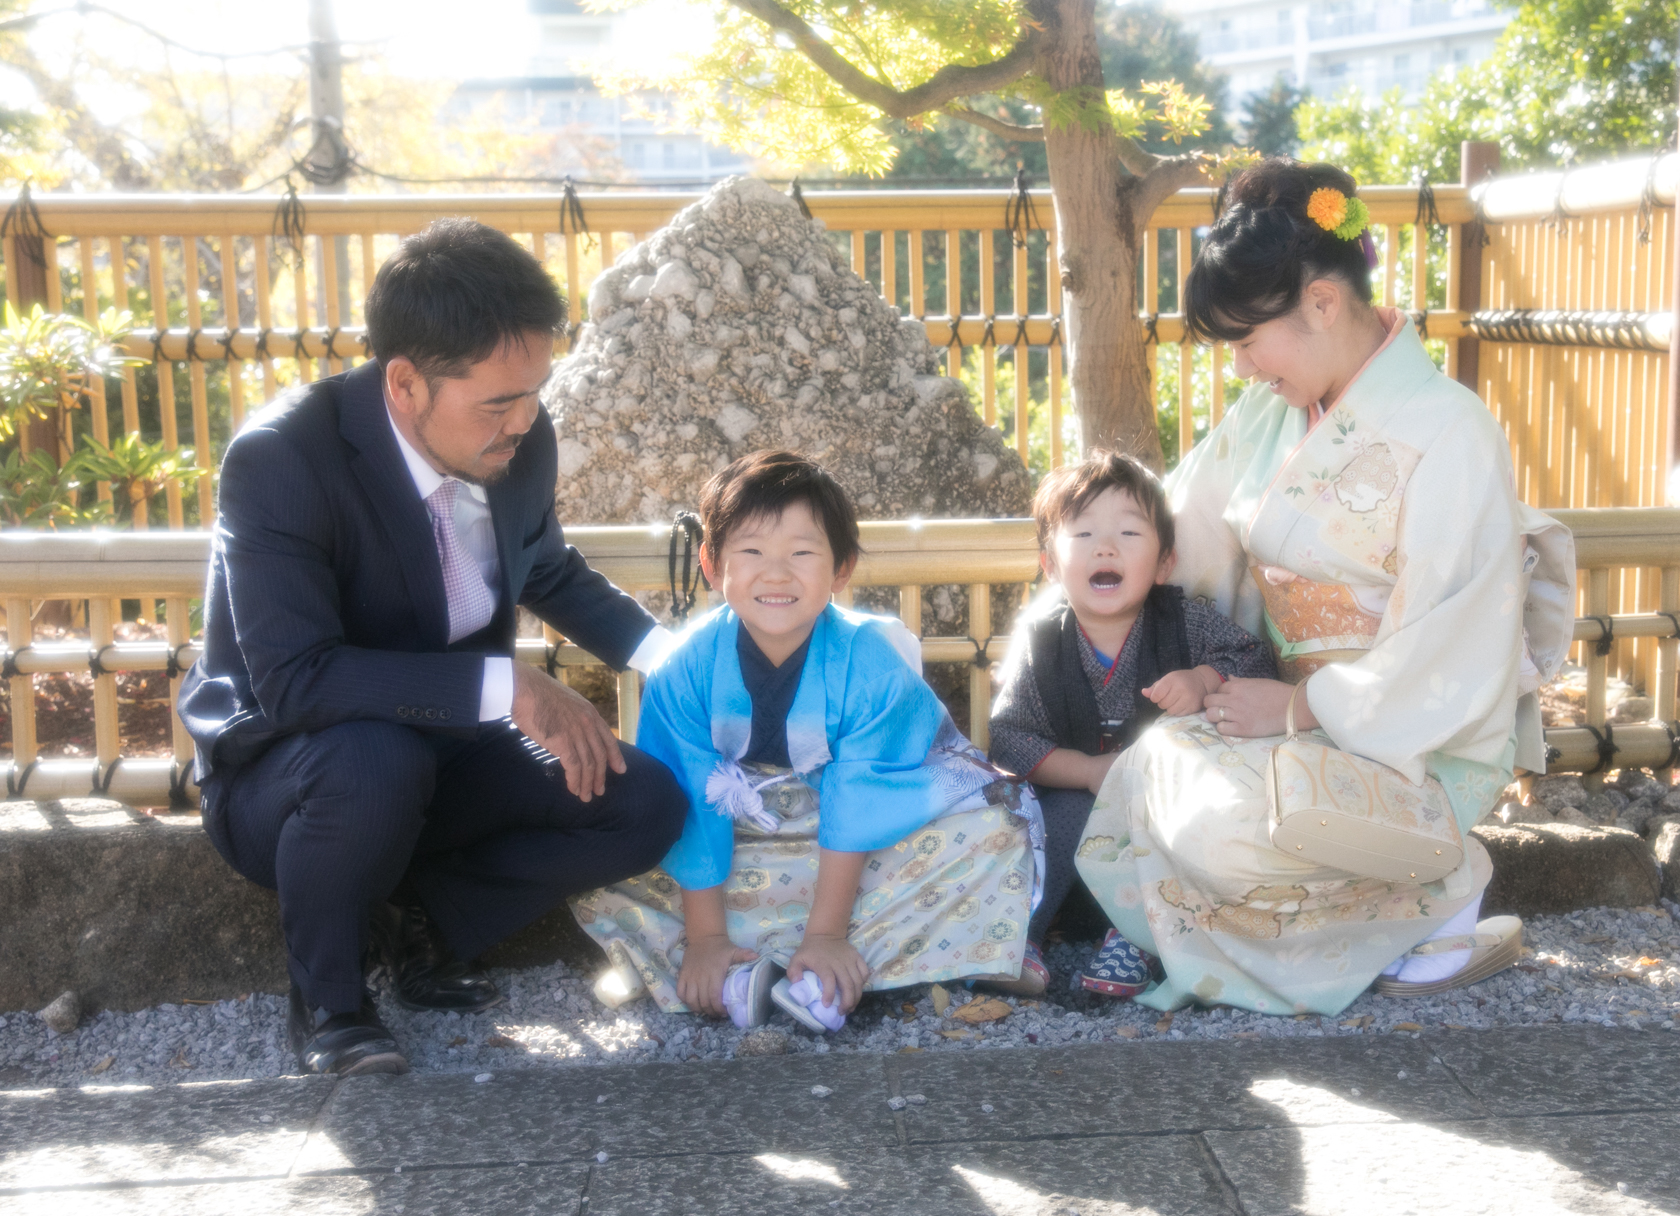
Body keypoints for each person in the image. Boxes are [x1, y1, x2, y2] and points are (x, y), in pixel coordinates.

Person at [178, 218, 689, 1076]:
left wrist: (680, 659)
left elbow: (549, 572)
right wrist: (509, 689)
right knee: (373, 761)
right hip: (293, 774)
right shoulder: (282, 459)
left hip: (449, 754)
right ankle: (331, 1003)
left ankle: (425, 926)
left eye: (534, 391)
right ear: (406, 383)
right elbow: (297, 683)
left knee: (644, 803)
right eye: (497, 401)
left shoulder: (520, 439)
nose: (525, 420)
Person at [1075, 158, 1575, 1015]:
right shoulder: (1272, 412)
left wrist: (1301, 710)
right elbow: (1183, 536)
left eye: (1246, 340)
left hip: (1417, 736)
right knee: (1150, 767)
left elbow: (1449, 642)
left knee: (1221, 837)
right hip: (1297, 718)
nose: (1239, 368)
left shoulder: (1451, 429)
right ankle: (1398, 921)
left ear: (1321, 302)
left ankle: (1444, 886)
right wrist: (1092, 571)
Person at [571, 450, 1046, 1032]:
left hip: (864, 833)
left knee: (996, 827)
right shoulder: (684, 668)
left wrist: (825, 932)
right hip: (748, 831)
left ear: (840, 569)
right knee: (597, 856)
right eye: (751, 552)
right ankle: (748, 960)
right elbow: (689, 803)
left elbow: (862, 802)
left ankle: (810, 957)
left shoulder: (870, 661)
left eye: (801, 552)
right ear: (712, 564)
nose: (776, 574)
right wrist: (707, 934)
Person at [988, 452, 1276, 996]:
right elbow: (1009, 736)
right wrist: (1088, 770)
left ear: (1164, 562)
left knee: (1188, 817)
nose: (1106, 547)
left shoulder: (1184, 621)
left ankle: (1138, 937)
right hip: (1077, 819)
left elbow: (1256, 660)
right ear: (1050, 563)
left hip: (1166, 806)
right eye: (1084, 534)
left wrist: (1204, 678)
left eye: (1128, 532)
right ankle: (1020, 936)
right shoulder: (1042, 639)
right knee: (1054, 817)